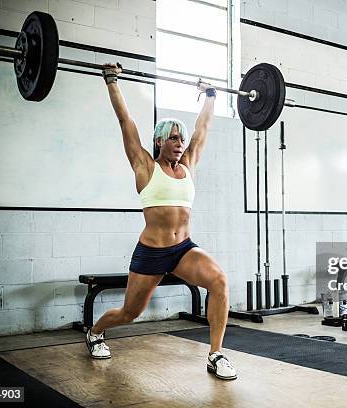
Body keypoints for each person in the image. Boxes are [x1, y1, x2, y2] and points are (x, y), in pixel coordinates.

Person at [84, 63, 237, 381]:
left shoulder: (190, 164)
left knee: (219, 281)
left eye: (182, 140)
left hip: (183, 249)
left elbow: (204, 129)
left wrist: (210, 94)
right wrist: (112, 80)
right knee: (130, 314)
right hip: (151, 252)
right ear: (160, 142)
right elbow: (125, 121)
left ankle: (216, 354)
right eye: (174, 139)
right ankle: (95, 332)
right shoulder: (144, 165)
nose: (181, 145)